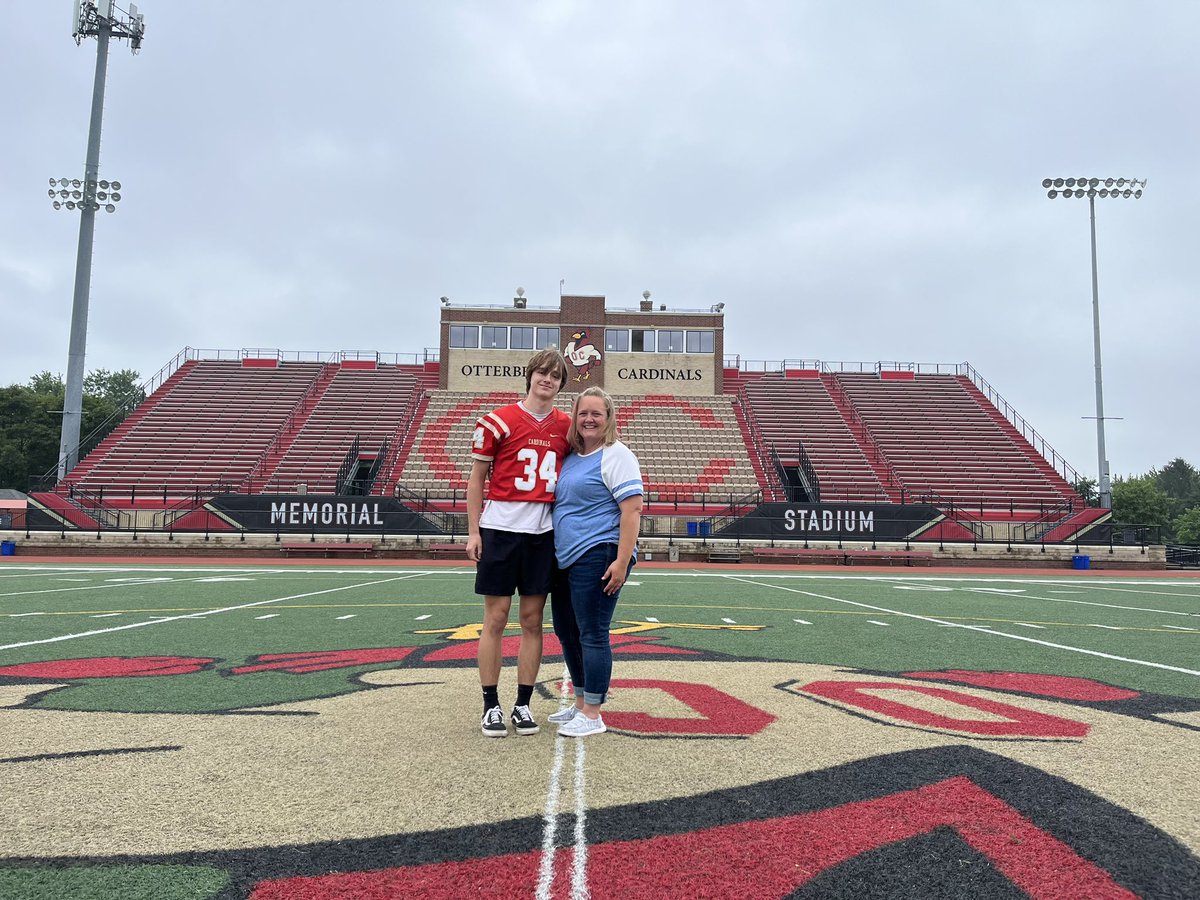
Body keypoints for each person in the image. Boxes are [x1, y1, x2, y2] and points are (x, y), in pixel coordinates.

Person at [467, 347, 572, 738]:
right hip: (500, 529)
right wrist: (474, 531)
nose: (547, 380)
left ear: (561, 384)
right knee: (495, 619)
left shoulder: (567, 427)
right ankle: (490, 704)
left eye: (555, 375)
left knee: (532, 621)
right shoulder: (498, 421)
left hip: (542, 534)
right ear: (530, 376)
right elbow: (476, 479)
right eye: (542, 372)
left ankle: (523, 704)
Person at [549, 387, 644, 737]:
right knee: (566, 630)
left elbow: (632, 510)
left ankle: (593, 712)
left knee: (592, 632)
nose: (589, 419)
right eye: (583, 413)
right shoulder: (573, 456)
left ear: (609, 418)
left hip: (599, 550)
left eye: (596, 414)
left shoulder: (617, 455)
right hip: (567, 556)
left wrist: (621, 561)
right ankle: (580, 702)